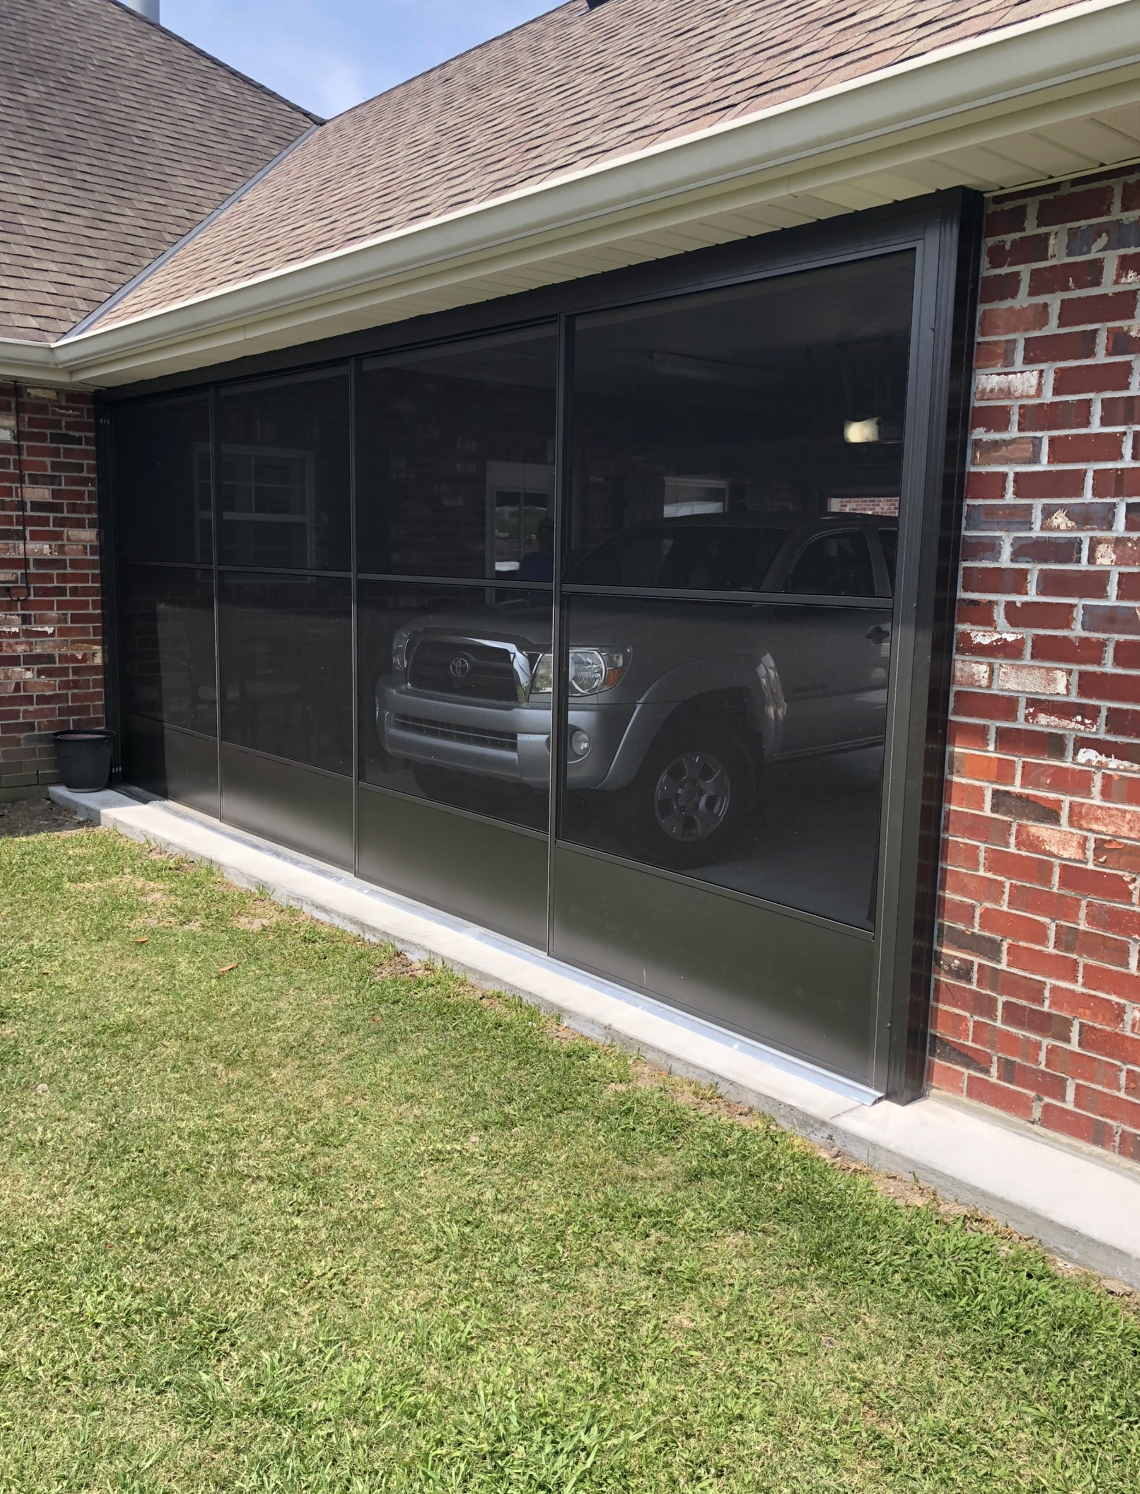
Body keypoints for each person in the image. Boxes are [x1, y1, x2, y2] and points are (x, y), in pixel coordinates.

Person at [517, 515, 555, 581]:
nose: (547, 534)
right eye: (543, 530)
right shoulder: (528, 561)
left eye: (552, 530)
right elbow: (519, 589)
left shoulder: (569, 561)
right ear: (537, 535)